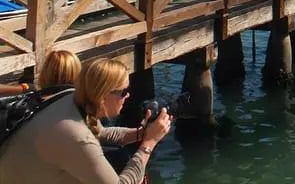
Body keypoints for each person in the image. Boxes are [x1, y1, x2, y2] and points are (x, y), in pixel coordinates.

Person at [0, 57, 172, 184]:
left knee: (119, 157)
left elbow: (103, 133)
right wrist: (149, 144)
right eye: (123, 92)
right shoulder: (77, 137)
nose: (128, 96)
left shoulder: (71, 96)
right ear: (102, 95)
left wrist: (142, 133)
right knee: (127, 165)